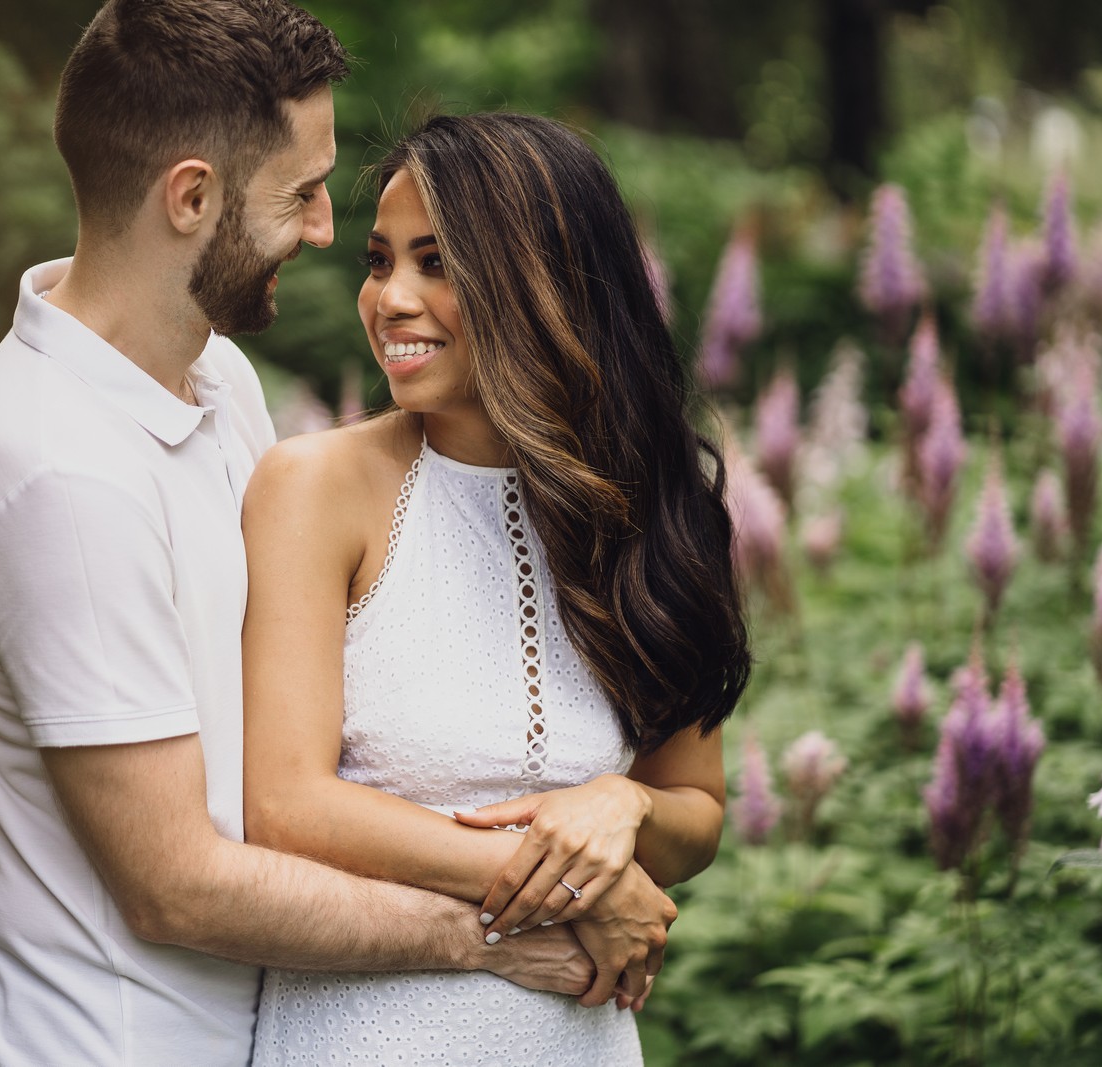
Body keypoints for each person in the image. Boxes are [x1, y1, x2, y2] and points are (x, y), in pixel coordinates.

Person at [0, 7, 621, 1065]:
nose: (327, 230)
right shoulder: (57, 467)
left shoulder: (214, 380)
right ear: (191, 196)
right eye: (299, 193)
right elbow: (174, 882)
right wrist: (500, 930)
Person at [241, 112, 752, 1064]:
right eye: (380, 258)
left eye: (437, 262)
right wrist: (584, 887)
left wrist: (624, 807)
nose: (391, 297)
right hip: (364, 1038)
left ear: (545, 282)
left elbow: (695, 806)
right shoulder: (315, 488)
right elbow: (286, 805)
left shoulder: (657, 511)